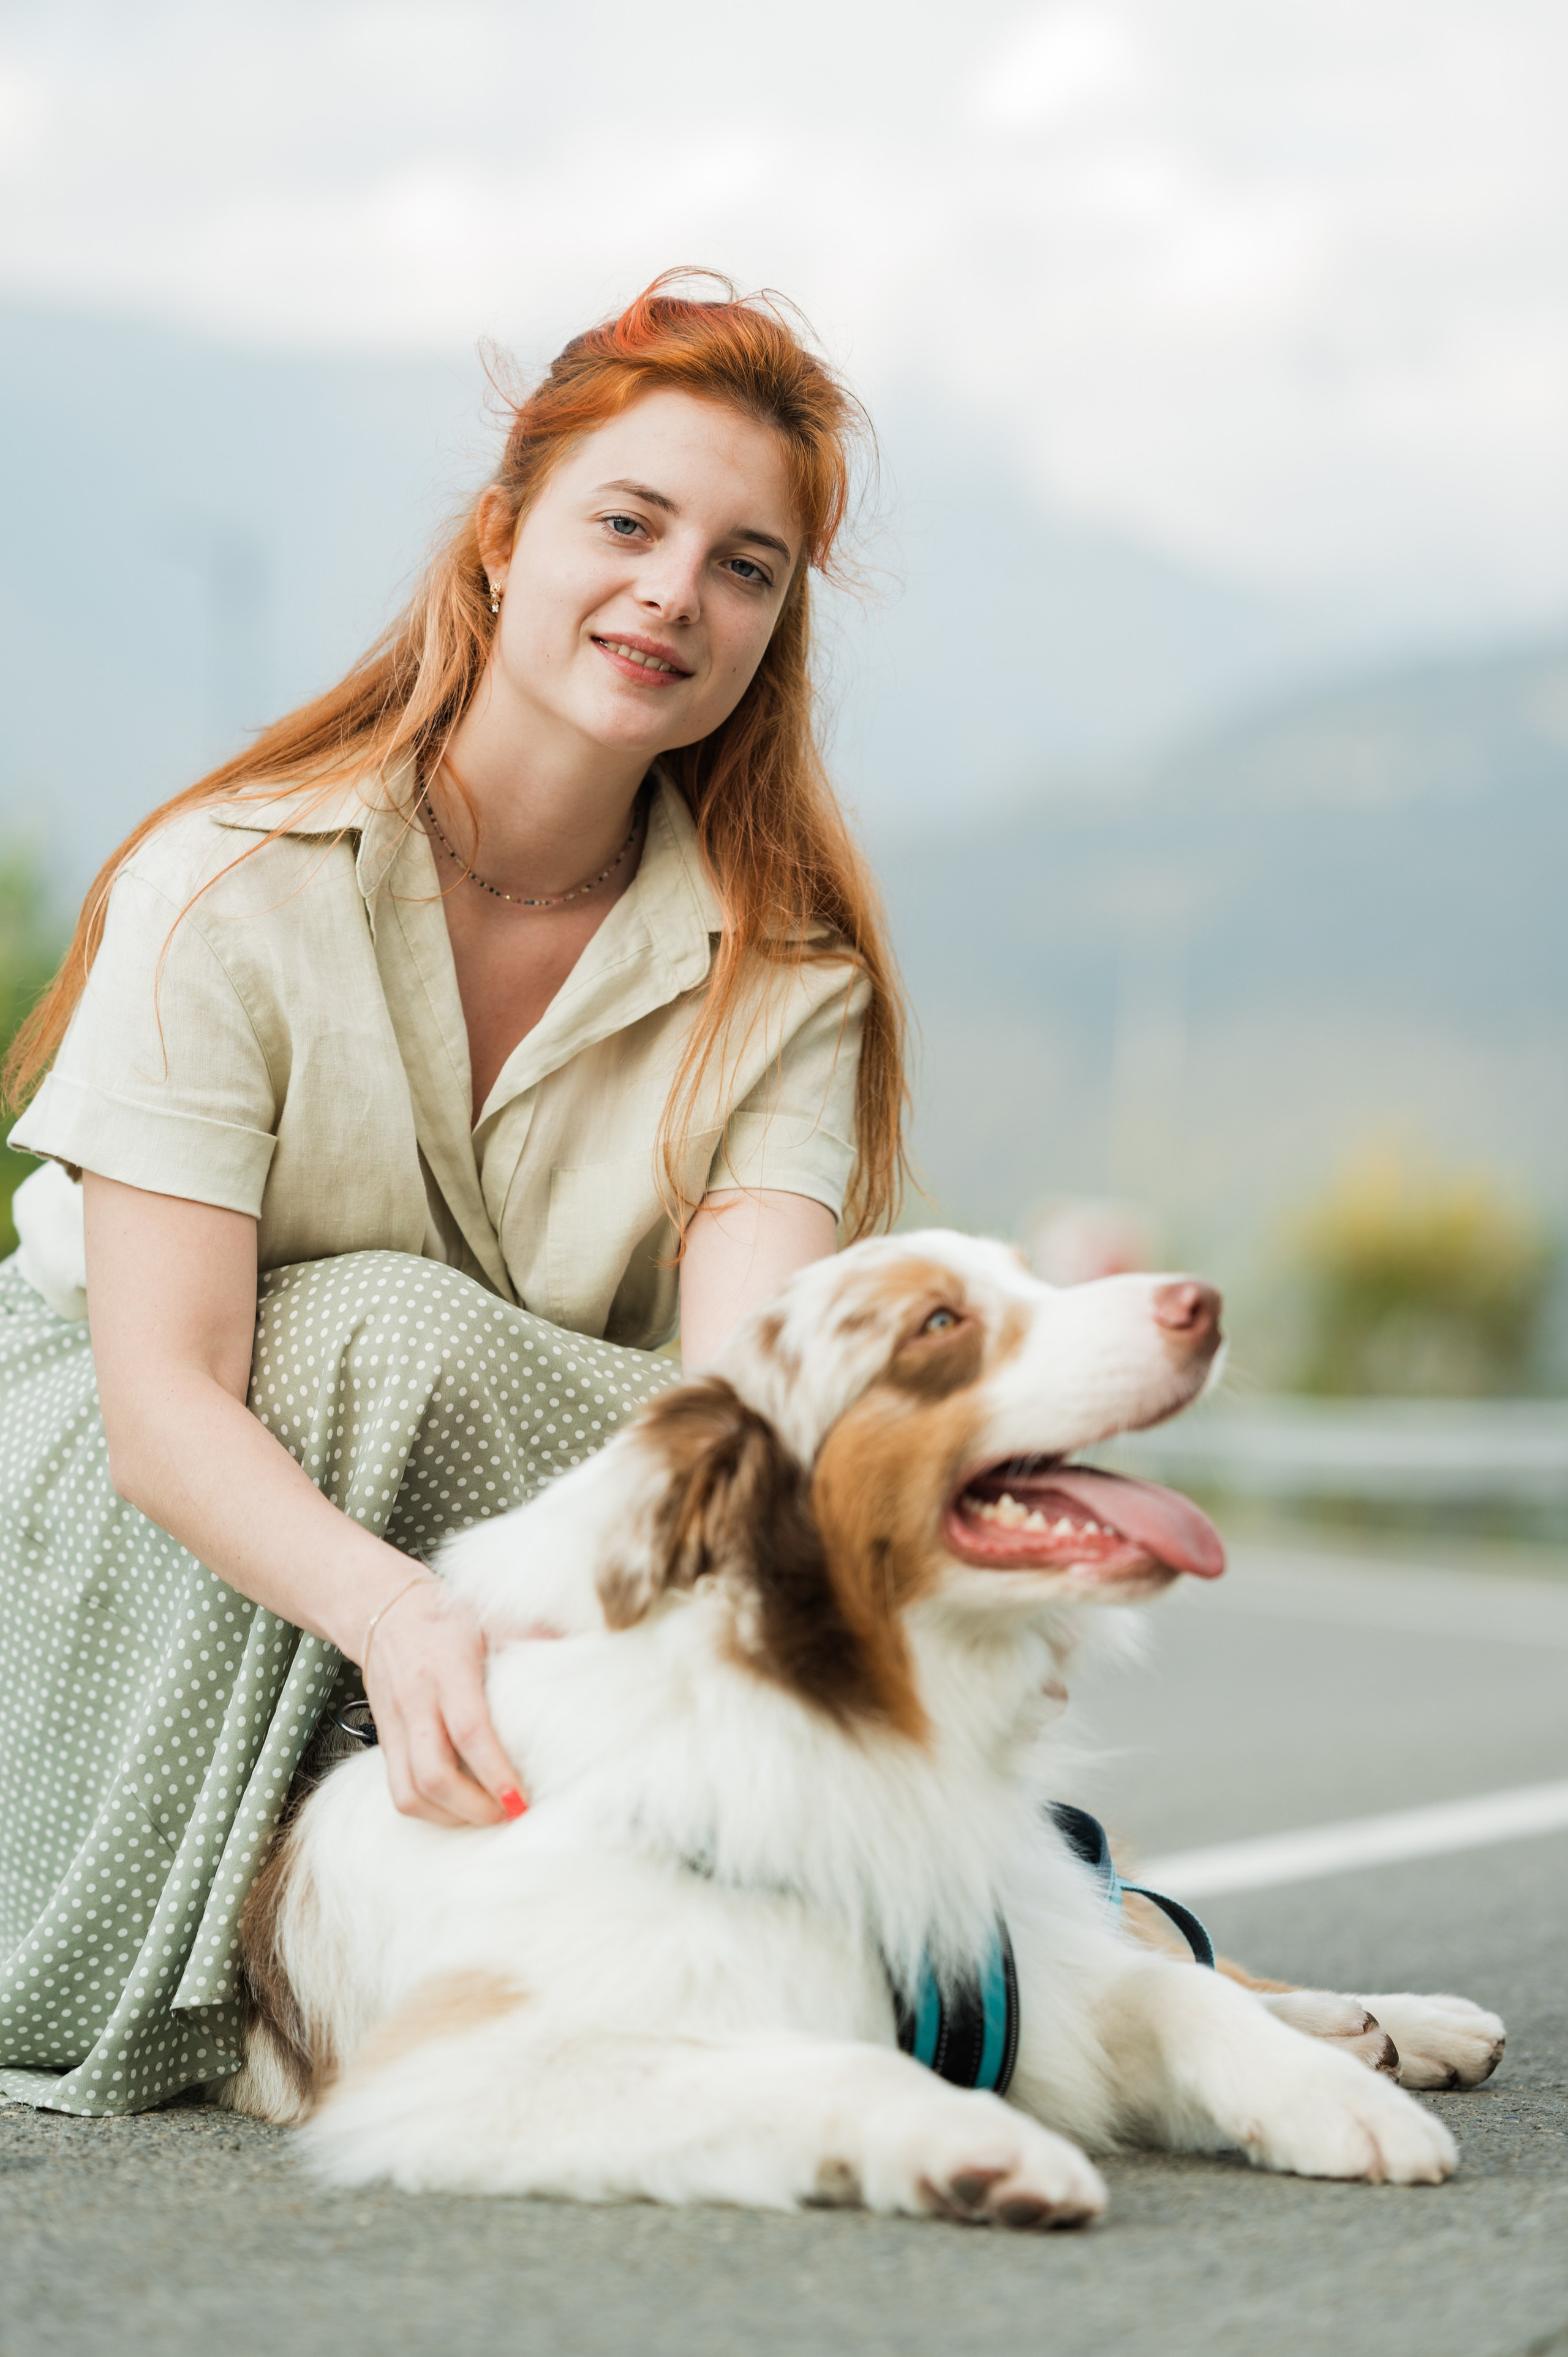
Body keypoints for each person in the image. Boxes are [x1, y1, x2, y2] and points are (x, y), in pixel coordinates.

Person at [0, 274, 907, 2116]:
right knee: (388, 1337)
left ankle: (997, 1911)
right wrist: (404, 1615)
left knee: (743, 1461)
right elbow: (165, 1413)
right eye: (630, 524)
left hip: (478, 1538)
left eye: (746, 565)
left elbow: (739, 1411)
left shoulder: (783, 980)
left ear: (774, 628)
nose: (675, 593)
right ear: (504, 543)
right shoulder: (233, 880)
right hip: (113, 1503)